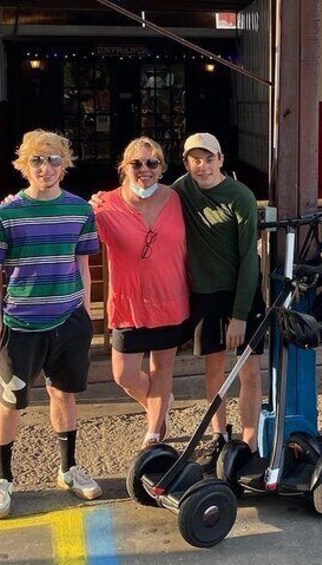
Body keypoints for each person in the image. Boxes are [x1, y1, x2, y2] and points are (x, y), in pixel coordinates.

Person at [0, 130, 102, 520]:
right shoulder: (5, 214)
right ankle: (2, 480)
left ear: (64, 165)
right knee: (10, 401)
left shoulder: (80, 211)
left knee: (64, 395)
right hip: (21, 325)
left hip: (69, 322)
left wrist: (84, 315)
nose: (45, 167)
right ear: (23, 165)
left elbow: (84, 266)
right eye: (36, 160)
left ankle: (68, 469)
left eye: (52, 160)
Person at [174, 133, 265, 471]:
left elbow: (249, 259)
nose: (203, 166)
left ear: (221, 159)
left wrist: (240, 314)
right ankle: (218, 434)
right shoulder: (181, 190)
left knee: (249, 368)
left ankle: (249, 440)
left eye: (209, 159)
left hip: (240, 289)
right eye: (196, 160)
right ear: (187, 163)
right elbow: (141, 197)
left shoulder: (240, 196)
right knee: (214, 368)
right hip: (206, 292)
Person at [93, 137, 190, 448]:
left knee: (162, 368)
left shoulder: (176, 198)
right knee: (124, 375)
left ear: (162, 168)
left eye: (152, 163)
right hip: (128, 302)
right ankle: (157, 407)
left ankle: (154, 432)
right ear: (124, 167)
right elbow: (68, 228)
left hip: (170, 297)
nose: (144, 169)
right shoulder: (104, 204)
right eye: (136, 163)